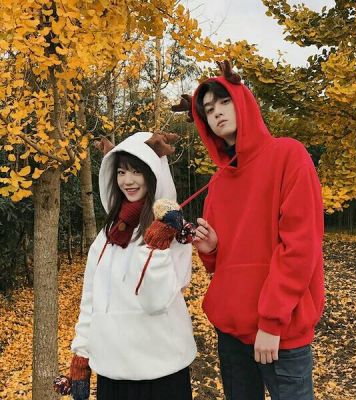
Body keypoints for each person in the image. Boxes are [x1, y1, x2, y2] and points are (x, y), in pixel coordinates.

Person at [190, 65, 325, 400]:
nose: (217, 112)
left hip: (281, 333)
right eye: (209, 109)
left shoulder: (288, 155)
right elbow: (222, 266)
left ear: (243, 101)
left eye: (224, 102)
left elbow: (300, 246)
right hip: (231, 332)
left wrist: (271, 321)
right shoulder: (218, 182)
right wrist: (211, 250)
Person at [64, 132, 197, 400]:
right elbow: (91, 297)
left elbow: (156, 301)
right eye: (121, 172)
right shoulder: (108, 235)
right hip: (112, 372)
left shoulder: (174, 233)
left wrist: (157, 247)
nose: (127, 181)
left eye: (137, 171)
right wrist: (82, 352)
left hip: (162, 372)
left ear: (153, 175)